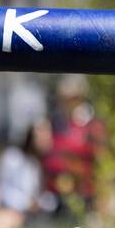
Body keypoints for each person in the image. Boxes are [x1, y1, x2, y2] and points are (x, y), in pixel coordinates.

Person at [43, 75, 106, 217]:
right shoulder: (55, 123)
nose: (65, 104)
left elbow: (99, 157)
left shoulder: (91, 125)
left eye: (70, 99)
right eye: (63, 99)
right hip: (56, 194)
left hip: (84, 193)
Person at [0, 119, 53, 228]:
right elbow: (3, 189)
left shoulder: (38, 162)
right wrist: (27, 204)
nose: (46, 138)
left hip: (37, 216)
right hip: (12, 212)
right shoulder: (13, 158)